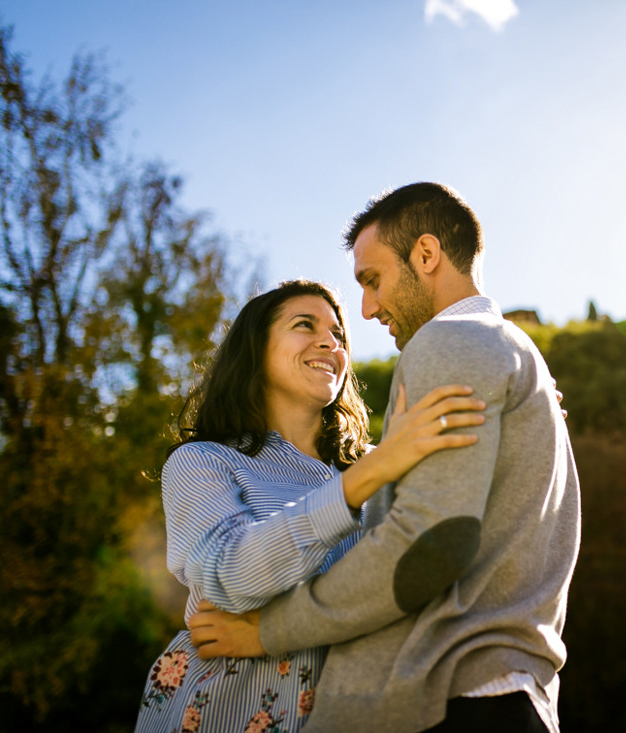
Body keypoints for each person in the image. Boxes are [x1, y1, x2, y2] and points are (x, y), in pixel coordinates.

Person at [189, 183, 581, 733]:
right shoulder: (512, 352)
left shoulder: (448, 342)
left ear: (426, 254)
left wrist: (267, 631)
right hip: (509, 692)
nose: (368, 309)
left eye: (372, 280)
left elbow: (427, 546)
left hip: (452, 697)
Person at [135, 279, 487, 732]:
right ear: (255, 349)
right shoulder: (204, 462)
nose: (330, 342)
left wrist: (523, 409)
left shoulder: (384, 465)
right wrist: (366, 478)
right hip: (226, 706)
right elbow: (227, 579)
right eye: (305, 325)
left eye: (338, 335)